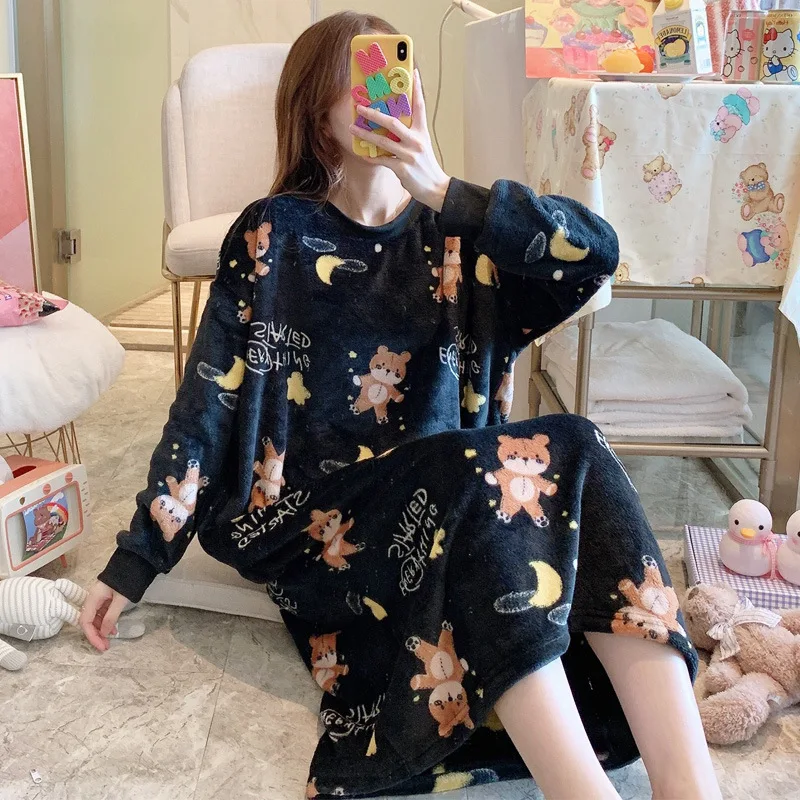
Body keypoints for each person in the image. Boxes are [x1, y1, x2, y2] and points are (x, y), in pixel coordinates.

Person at [80, 11, 721, 800]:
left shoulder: (460, 233)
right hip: (312, 522)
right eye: (359, 83)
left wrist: (444, 189)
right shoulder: (275, 232)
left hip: (456, 503)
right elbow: (207, 402)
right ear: (319, 117)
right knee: (474, 476)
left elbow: (596, 253)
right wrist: (137, 558)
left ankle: (693, 789)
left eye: (397, 76)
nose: (384, 95)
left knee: (575, 443)